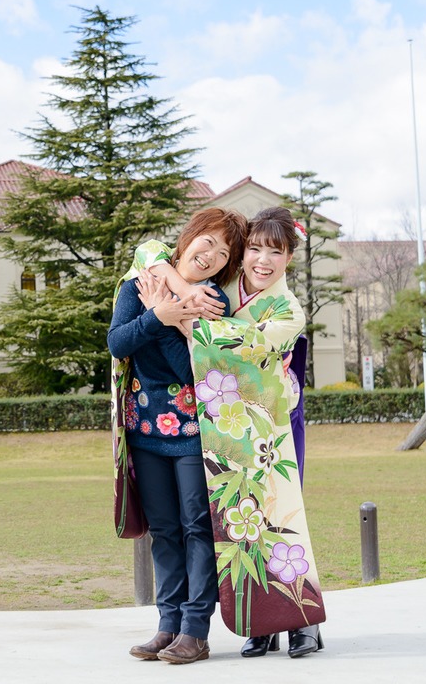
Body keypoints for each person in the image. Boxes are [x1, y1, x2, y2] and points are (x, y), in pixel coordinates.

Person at [142, 206, 323, 659]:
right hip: (222, 421)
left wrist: (166, 312)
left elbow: (237, 347)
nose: (263, 260)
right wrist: (182, 291)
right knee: (238, 522)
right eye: (256, 249)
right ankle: (260, 624)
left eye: (275, 253)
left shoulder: (288, 311)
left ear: (289, 259)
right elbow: (147, 251)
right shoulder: (222, 284)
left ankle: (305, 622)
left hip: (270, 424)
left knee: (280, 517)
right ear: (241, 255)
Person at [107, 207, 247, 665]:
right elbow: (117, 342)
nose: (210, 255)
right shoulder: (139, 281)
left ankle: (195, 631)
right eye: (207, 241)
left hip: (193, 433)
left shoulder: (212, 305)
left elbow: (192, 372)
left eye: (222, 253)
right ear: (187, 240)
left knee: (196, 527)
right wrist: (159, 314)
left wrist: (160, 317)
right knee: (164, 530)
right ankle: (167, 625)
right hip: (144, 430)